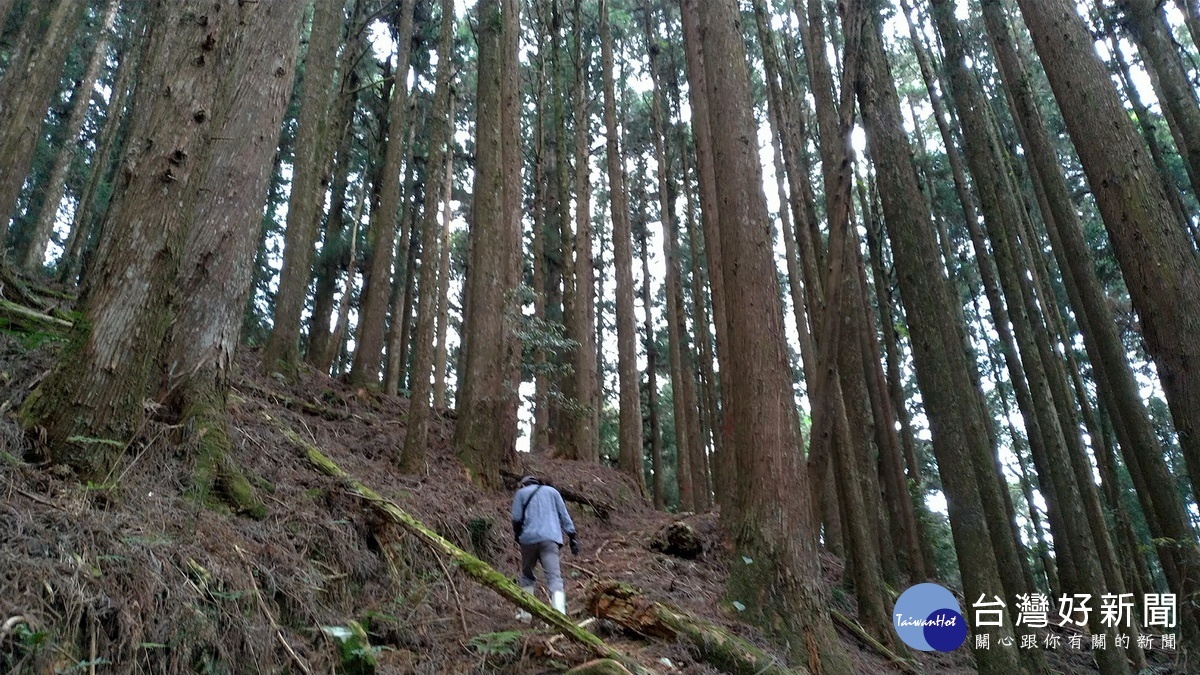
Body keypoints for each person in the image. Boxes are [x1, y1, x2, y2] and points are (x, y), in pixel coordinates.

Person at [511, 475, 578, 619]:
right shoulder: (552, 492)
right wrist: (572, 537)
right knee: (554, 577)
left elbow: (516, 519)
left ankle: (525, 615)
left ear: (523, 485)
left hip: (528, 540)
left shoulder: (521, 494)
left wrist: (518, 536)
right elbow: (564, 516)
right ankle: (559, 614)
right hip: (550, 539)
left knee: (527, 575)